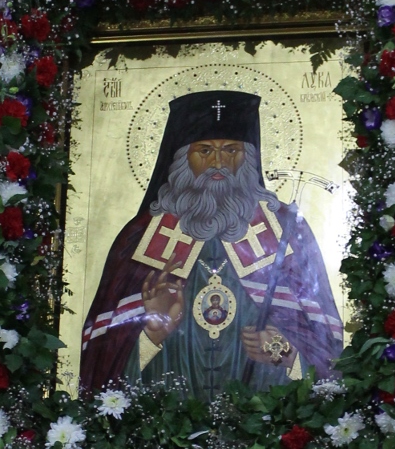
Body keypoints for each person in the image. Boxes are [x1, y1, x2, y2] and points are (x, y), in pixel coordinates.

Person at [80, 90, 343, 400]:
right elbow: (101, 363)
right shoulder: (141, 237)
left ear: (248, 158)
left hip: (267, 416)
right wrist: (152, 333)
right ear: (182, 159)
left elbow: (326, 350)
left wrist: (286, 354)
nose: (218, 162)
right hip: (164, 418)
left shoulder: (284, 230)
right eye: (204, 150)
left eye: (231, 150)